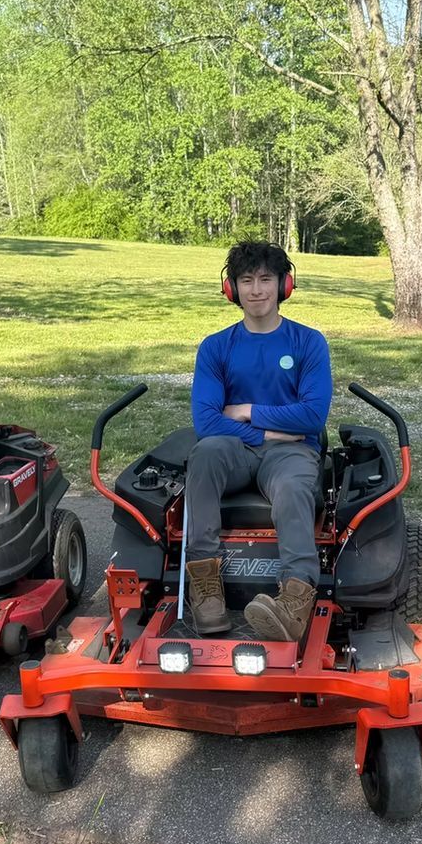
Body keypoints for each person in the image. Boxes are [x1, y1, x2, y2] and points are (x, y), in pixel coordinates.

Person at [183, 241, 332, 641]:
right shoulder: (216, 347)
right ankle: (205, 590)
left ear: (285, 285)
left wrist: (248, 409)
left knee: (293, 486)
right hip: (236, 452)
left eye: (266, 278)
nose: (256, 290)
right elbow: (207, 422)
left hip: (292, 453)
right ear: (232, 289)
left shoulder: (308, 343)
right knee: (205, 453)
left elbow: (313, 417)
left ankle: (295, 602)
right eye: (246, 280)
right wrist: (269, 430)